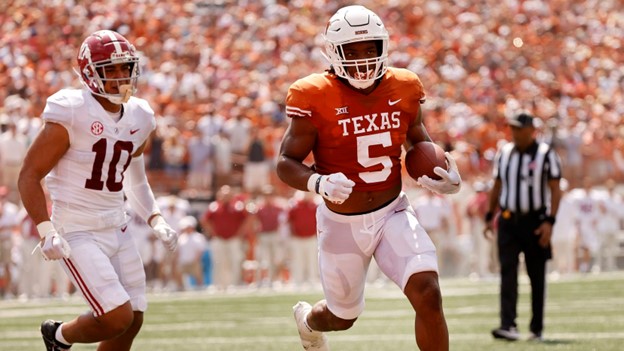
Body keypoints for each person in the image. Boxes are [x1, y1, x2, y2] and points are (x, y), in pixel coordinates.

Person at [276, 5, 461, 350]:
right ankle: (309, 322)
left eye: (369, 49)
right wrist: (318, 182)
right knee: (341, 318)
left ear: (383, 47)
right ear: (334, 52)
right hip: (341, 222)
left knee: (429, 293)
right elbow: (286, 161)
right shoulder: (313, 94)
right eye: (352, 50)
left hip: (393, 212)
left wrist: (443, 173)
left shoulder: (404, 86)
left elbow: (418, 140)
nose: (362, 58)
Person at [17, 30, 178, 351]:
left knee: (133, 319)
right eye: (110, 70)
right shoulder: (72, 110)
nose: (120, 77)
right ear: (90, 73)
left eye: (125, 68)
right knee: (116, 317)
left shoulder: (140, 115)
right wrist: (46, 228)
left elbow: (135, 178)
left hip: (117, 226)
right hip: (77, 230)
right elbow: (29, 175)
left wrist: (155, 218)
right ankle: (59, 335)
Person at [484, 112, 562, 342]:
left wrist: (550, 221)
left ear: (531, 130)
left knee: (536, 275)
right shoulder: (504, 152)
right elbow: (497, 185)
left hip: (535, 221)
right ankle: (508, 325)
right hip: (508, 220)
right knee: (507, 271)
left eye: (519, 129)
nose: (514, 133)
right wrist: (490, 214)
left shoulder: (546, 154)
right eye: (513, 128)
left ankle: (536, 328)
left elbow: (556, 189)